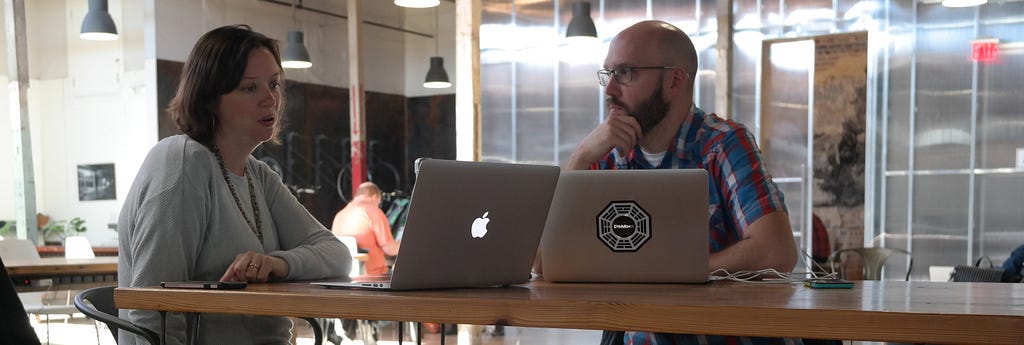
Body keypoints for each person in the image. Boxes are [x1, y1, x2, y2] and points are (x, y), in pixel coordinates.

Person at [546, 20, 798, 345]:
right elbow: (544, 262)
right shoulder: (608, 154)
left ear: (674, 80)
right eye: (608, 74)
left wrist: (675, 275)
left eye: (625, 73)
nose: (609, 89)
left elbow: (776, 251)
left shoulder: (723, 144)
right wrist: (580, 157)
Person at [117, 24, 350, 345]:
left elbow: (338, 255)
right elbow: (152, 310)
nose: (270, 99)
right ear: (210, 98)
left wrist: (279, 264)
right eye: (249, 88)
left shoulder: (258, 174)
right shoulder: (182, 162)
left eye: (274, 85)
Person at [332, 182, 400, 275]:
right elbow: (389, 249)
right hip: (374, 275)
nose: (378, 205)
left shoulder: (339, 215)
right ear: (375, 197)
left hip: (348, 274)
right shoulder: (374, 211)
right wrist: (408, 244)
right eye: (379, 202)